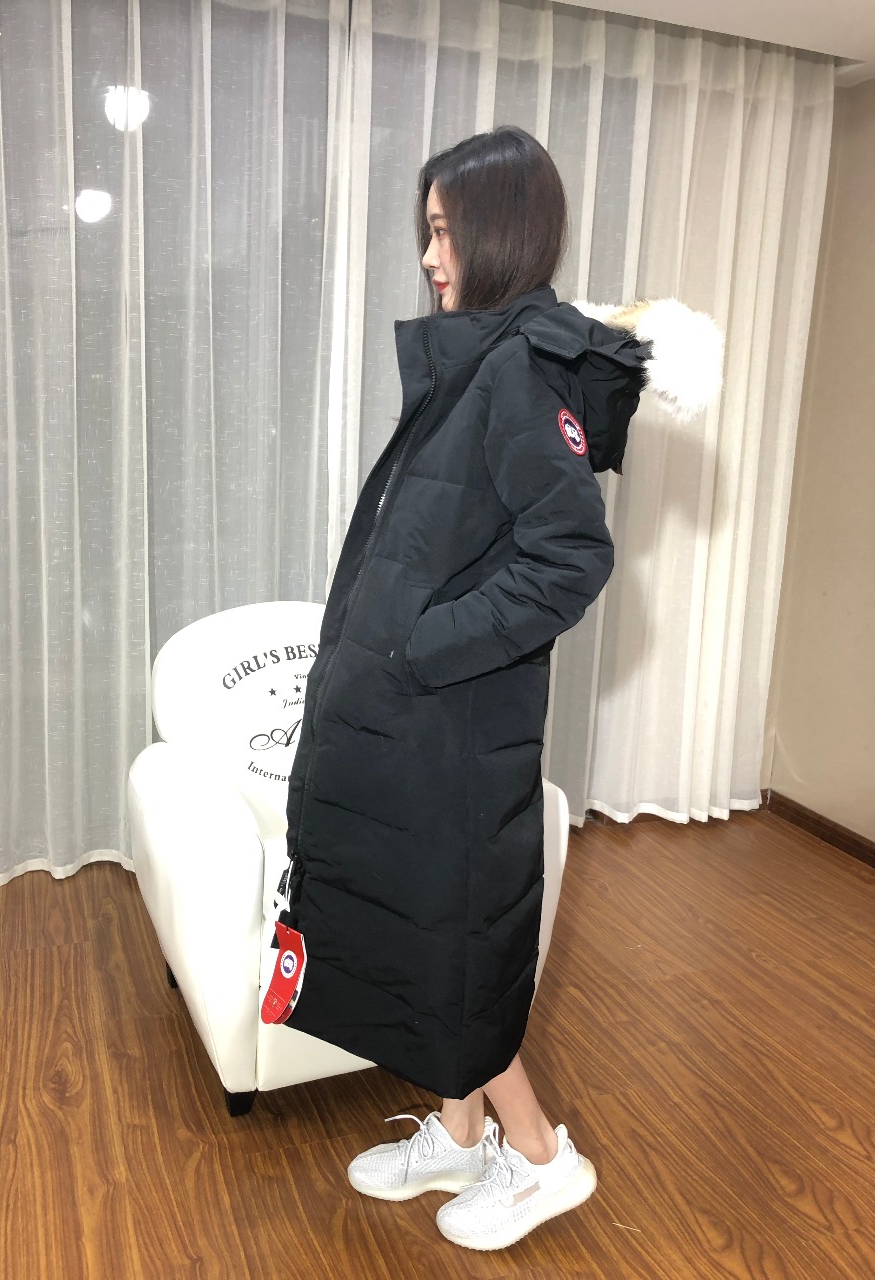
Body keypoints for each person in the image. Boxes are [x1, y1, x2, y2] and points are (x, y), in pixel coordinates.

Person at [273, 125, 721, 1252]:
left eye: (443, 231)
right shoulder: (476, 361)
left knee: (454, 950)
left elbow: (568, 558)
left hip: (455, 730)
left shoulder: (516, 373)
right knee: (431, 935)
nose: (430, 256)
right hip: (421, 726)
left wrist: (419, 648)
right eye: (425, 232)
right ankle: (460, 1131)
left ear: (497, 230)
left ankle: (541, 1156)